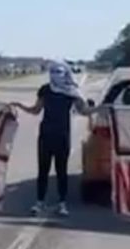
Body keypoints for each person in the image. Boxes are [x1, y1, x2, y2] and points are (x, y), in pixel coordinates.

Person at [12, 62, 93, 217]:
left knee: (61, 171)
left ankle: (62, 203)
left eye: (59, 72)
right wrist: (19, 106)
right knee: (43, 170)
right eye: (53, 72)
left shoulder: (71, 92)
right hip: (45, 135)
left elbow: (83, 110)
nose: (56, 75)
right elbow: (36, 110)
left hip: (62, 135)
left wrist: (99, 109)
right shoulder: (45, 90)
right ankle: (39, 202)